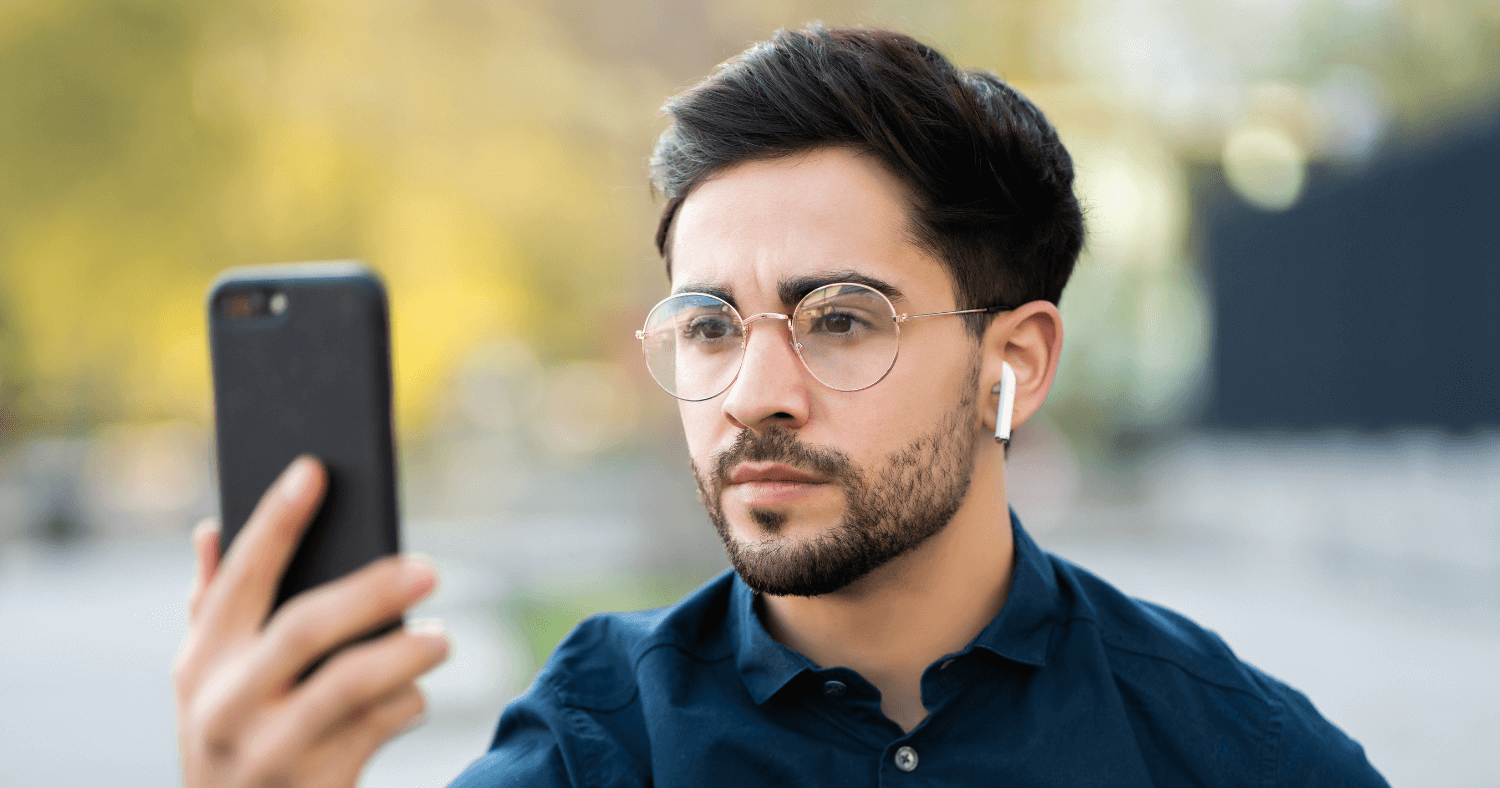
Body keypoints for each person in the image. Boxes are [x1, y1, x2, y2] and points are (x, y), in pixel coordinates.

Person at [173, 25, 1389, 788]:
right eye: (708, 325)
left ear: (1011, 359)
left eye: (841, 318)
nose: (754, 394)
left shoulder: (1223, 747)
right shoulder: (602, 737)